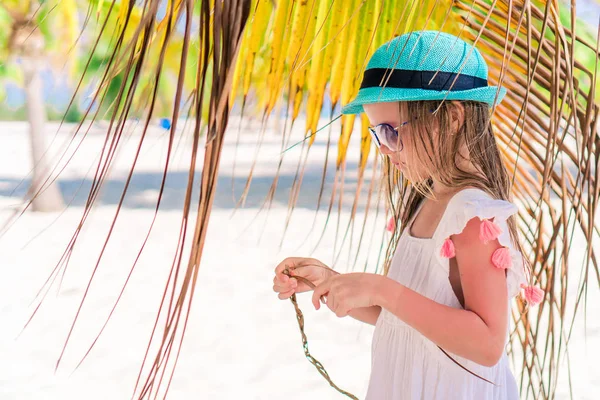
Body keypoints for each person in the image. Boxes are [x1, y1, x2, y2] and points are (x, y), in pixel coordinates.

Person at [272, 31, 542, 399]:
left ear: (452, 118)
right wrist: (334, 281)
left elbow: (487, 342)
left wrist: (383, 289)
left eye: (391, 132)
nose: (384, 149)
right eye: (376, 135)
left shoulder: (472, 216)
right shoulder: (429, 199)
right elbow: (410, 318)